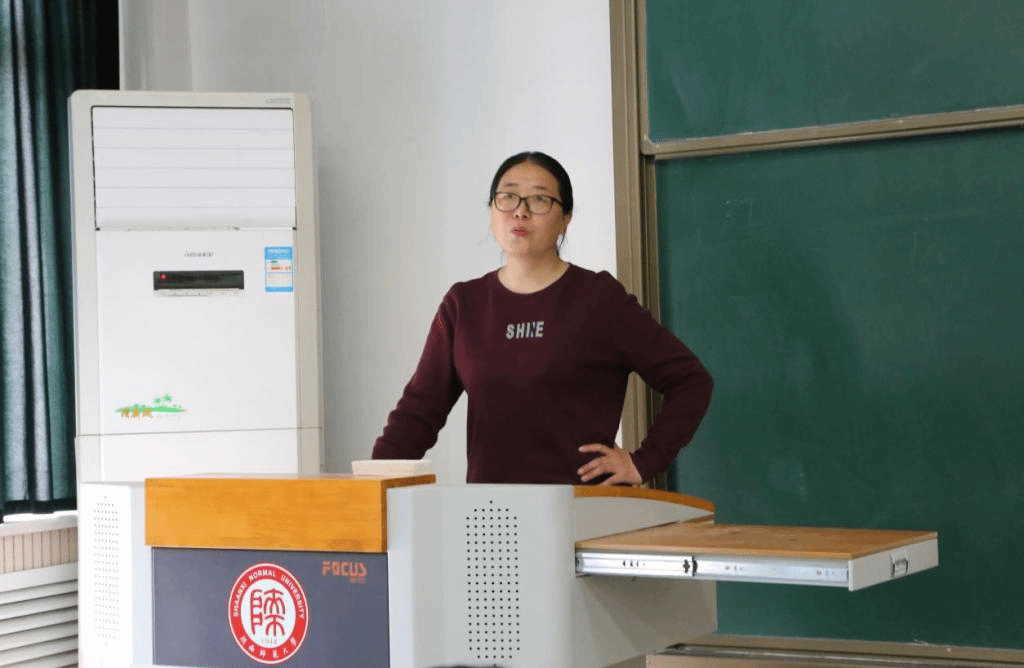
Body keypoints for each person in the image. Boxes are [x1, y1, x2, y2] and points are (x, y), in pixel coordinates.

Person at [371, 151, 712, 485]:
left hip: (583, 510)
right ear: (491, 211)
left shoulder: (599, 299)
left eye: (539, 200)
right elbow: (418, 413)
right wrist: (369, 488)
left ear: (566, 219)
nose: (520, 211)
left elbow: (690, 380)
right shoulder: (463, 304)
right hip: (490, 512)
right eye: (508, 197)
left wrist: (645, 461)